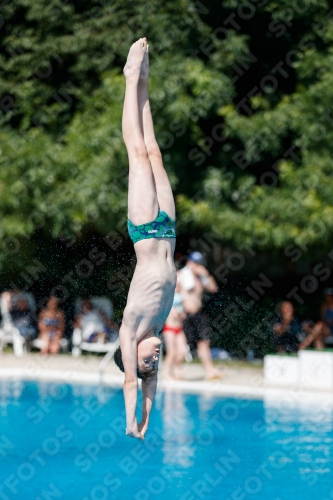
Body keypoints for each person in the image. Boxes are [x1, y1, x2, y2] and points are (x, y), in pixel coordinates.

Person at [113, 38, 177, 440]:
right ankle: (145, 83)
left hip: (145, 228)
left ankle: (130, 79)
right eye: (156, 361)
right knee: (154, 151)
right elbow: (152, 383)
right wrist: (150, 421)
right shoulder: (157, 323)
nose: (154, 359)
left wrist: (131, 420)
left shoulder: (130, 327)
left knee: (136, 152)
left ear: (130, 357)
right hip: (168, 227)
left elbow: (133, 383)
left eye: (146, 362)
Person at [178, 251, 223, 380]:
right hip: (184, 315)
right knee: (181, 346)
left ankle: (210, 371)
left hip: (198, 315)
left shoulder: (201, 278)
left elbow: (214, 288)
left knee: (204, 342)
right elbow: (171, 294)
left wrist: (206, 274)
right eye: (195, 263)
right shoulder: (181, 275)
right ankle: (177, 370)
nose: (198, 266)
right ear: (189, 263)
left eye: (200, 264)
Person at [162, 285, 188, 380]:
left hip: (179, 329)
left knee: (182, 351)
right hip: (170, 328)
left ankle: (177, 368)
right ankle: (167, 372)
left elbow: (184, 314)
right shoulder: (168, 299)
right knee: (172, 352)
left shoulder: (181, 299)